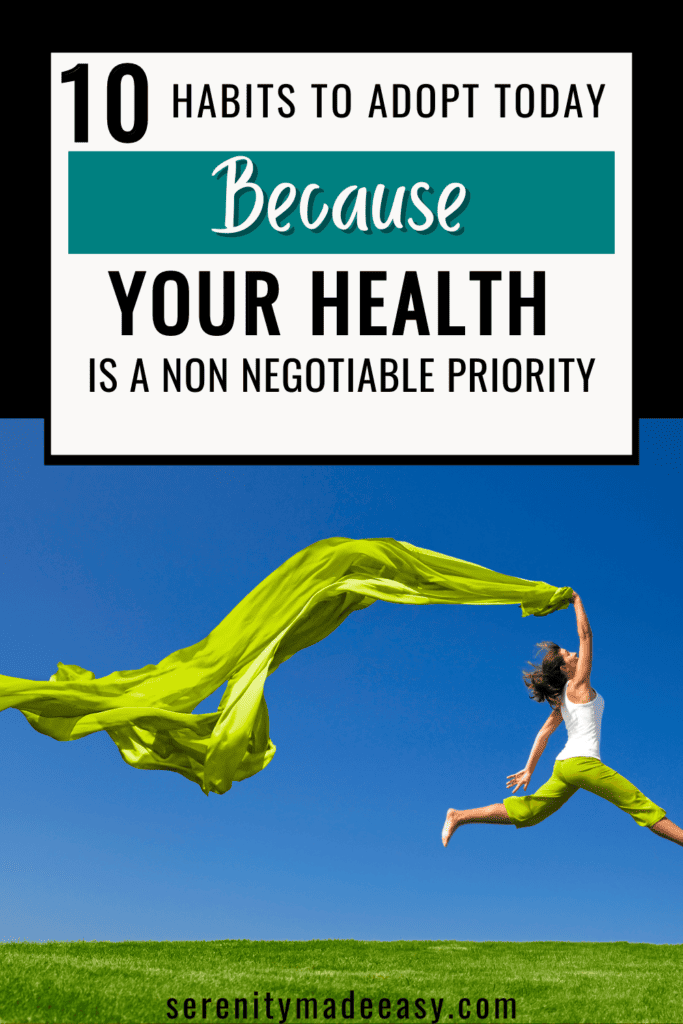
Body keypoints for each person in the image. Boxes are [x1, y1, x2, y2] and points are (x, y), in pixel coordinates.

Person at [441, 592, 682, 848]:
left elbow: (544, 733)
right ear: (564, 669)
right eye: (569, 655)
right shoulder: (578, 684)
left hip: (564, 767)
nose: (576, 653)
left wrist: (529, 769)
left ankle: (459, 815)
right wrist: (577, 601)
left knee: (530, 812)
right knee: (639, 805)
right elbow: (586, 636)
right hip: (582, 764)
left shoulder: (563, 701)